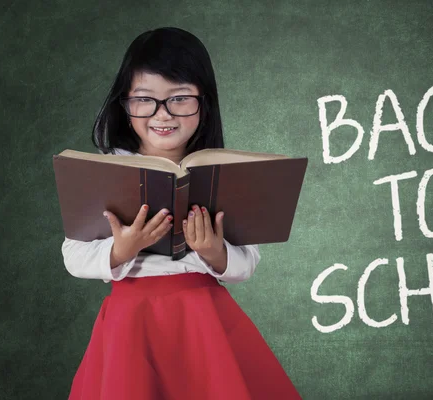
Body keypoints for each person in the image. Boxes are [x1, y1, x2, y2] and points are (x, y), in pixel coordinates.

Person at [62, 27, 301, 400]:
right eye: (144, 99)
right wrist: (121, 249)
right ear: (123, 104)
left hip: (205, 323)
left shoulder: (224, 171)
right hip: (130, 326)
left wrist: (213, 252)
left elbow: (247, 263)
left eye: (180, 99)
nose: (162, 114)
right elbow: (72, 256)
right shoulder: (105, 170)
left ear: (204, 104)